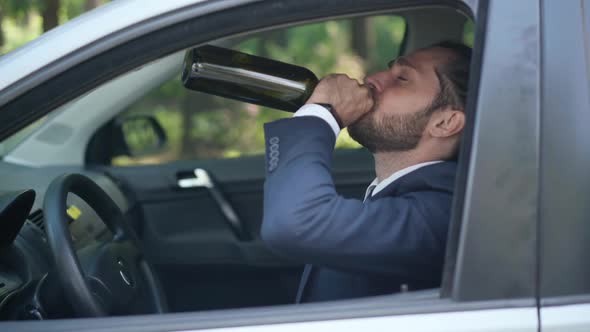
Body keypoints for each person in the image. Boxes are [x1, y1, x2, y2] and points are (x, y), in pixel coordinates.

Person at [261, 41, 472, 303]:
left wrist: (321, 114)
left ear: (445, 122)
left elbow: (293, 223)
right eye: (388, 70)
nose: (372, 79)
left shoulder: (445, 215)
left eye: (402, 78)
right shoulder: (397, 196)